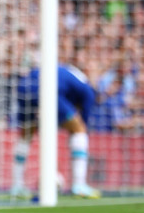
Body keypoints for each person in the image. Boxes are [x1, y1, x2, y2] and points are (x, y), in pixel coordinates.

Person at [11, 64, 101, 199]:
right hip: (48, 87)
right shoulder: (88, 91)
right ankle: (79, 185)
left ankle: (17, 186)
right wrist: (77, 135)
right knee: (79, 129)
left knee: (26, 134)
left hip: (24, 86)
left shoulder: (72, 74)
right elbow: (84, 123)